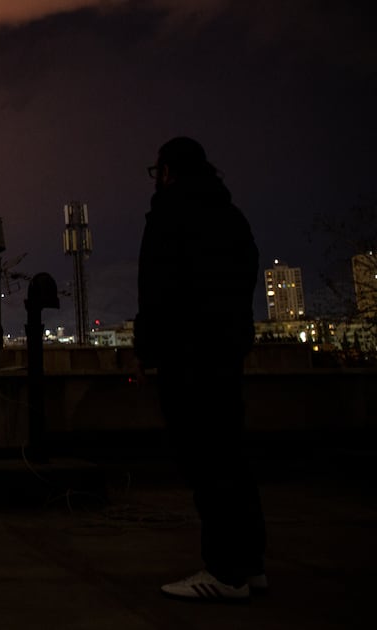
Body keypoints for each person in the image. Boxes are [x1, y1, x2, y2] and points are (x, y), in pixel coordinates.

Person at [135, 136, 267, 601]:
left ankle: (224, 571)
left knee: (206, 464)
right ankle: (250, 564)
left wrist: (146, 350)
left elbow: (155, 290)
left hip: (186, 357)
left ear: (167, 171)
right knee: (231, 456)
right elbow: (245, 280)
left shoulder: (169, 216)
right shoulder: (231, 218)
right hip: (225, 353)